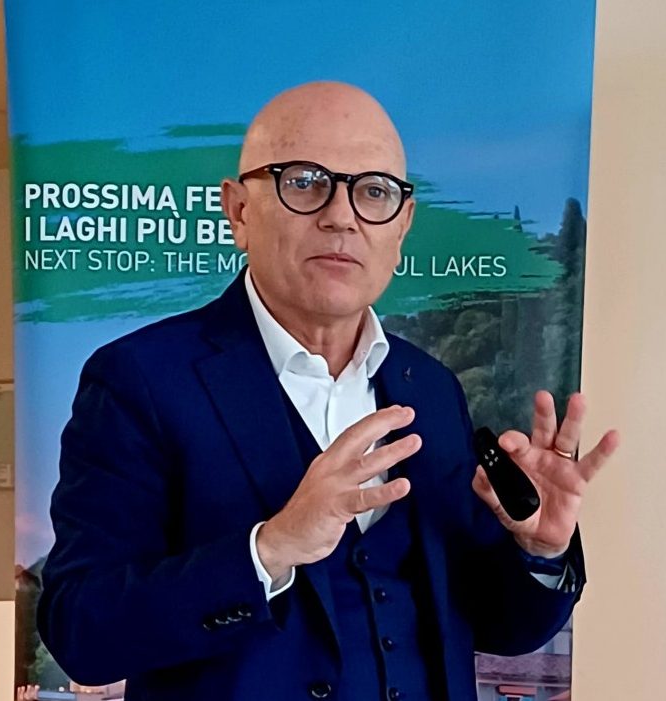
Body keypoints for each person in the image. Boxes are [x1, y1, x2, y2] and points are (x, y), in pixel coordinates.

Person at [37, 81, 619, 701]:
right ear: (239, 211)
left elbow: (501, 625)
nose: (341, 216)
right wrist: (270, 549)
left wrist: (539, 551)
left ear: (402, 226)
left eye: (374, 191)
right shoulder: (140, 379)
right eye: (305, 181)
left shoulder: (432, 389)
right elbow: (82, 631)